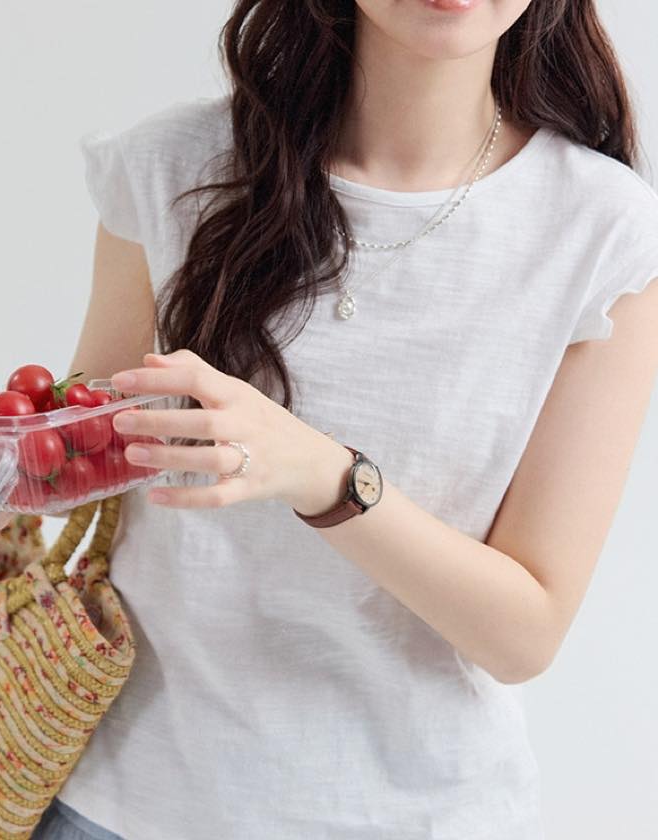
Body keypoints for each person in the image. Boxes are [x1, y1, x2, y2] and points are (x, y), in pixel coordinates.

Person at [32, 1, 658, 838]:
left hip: (414, 814)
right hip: (123, 805)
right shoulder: (168, 165)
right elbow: (78, 464)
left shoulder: (602, 233)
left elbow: (525, 635)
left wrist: (327, 477)